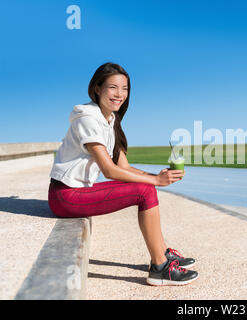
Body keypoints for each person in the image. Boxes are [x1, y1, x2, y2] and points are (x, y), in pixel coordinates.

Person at [48, 62, 198, 286]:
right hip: (65, 196)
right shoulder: (87, 119)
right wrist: (155, 180)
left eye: (125, 89)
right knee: (145, 191)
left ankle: (161, 254)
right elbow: (110, 171)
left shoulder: (110, 120)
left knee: (147, 188)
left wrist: (158, 176)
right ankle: (160, 268)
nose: (120, 94)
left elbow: (124, 167)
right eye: (113, 88)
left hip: (78, 191)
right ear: (97, 88)